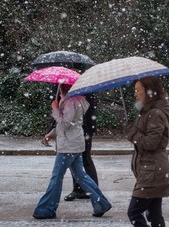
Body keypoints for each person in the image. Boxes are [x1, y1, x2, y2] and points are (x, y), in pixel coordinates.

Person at [32, 84, 112, 219]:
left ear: (64, 89)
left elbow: (65, 123)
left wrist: (55, 109)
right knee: (81, 176)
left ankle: (46, 209)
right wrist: (52, 134)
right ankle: (101, 203)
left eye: (60, 87)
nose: (58, 90)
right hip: (74, 143)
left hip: (68, 146)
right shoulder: (77, 100)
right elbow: (68, 124)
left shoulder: (71, 102)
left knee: (56, 177)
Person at [124, 76, 169, 227]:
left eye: (138, 90)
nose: (135, 94)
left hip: (152, 172)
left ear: (149, 92)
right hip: (150, 169)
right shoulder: (147, 111)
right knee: (154, 215)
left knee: (134, 212)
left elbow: (151, 143)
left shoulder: (154, 113)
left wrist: (132, 133)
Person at [64, 93, 99, 201]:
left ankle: (91, 190)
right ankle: (82, 189)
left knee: (84, 159)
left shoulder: (82, 90)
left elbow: (85, 110)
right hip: (82, 128)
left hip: (83, 128)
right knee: (77, 161)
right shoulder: (82, 88)